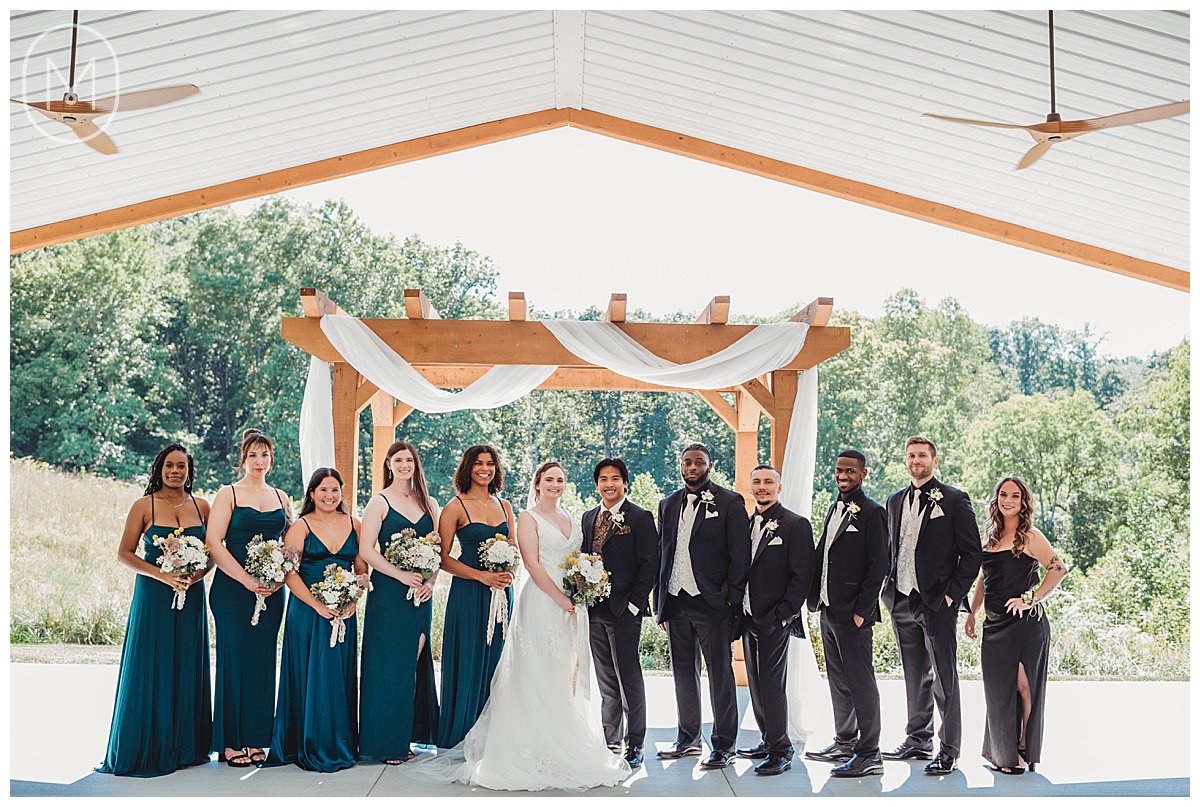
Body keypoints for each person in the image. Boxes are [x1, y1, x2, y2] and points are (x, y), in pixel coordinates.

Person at [413, 462, 631, 790]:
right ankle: (532, 745)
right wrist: (560, 599)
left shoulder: (571, 517)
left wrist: (583, 584)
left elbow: (575, 557)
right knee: (537, 669)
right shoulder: (529, 518)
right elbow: (530, 563)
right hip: (544, 601)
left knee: (563, 673)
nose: (555, 485)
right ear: (537, 484)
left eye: (560, 480)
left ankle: (562, 740)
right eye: (549, 480)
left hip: (571, 604)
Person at [97, 444, 213, 777]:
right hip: (153, 594)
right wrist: (163, 576)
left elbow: (211, 554)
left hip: (191, 594)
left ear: (189, 470)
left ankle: (185, 746)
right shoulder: (143, 505)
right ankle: (146, 746)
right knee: (151, 662)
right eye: (169, 466)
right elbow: (124, 553)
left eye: (181, 466)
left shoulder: (202, 506)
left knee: (186, 661)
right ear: (159, 469)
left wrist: (194, 576)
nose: (175, 471)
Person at [881, 437, 982, 776]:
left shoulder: (954, 499)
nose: (916, 460)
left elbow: (972, 554)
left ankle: (949, 750)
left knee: (944, 677)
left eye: (922, 455)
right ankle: (918, 739)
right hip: (900, 598)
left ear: (934, 461)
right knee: (914, 675)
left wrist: (952, 597)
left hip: (937, 602)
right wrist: (887, 592)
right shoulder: (894, 500)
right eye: (911, 455)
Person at [654, 443, 750, 770]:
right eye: (687, 462)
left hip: (713, 604)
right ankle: (688, 739)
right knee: (683, 674)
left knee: (720, 676)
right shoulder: (668, 504)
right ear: (680, 465)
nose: (692, 467)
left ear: (710, 466)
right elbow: (663, 555)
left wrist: (730, 599)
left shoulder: (729, 502)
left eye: (698, 462)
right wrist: (660, 604)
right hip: (675, 601)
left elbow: (740, 555)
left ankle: (724, 745)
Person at [264, 468, 365, 773]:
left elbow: (361, 568)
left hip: (343, 610)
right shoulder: (301, 527)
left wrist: (353, 598)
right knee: (313, 674)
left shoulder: (354, 524)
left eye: (335, 490)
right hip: (308, 611)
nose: (329, 496)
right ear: (312, 493)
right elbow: (289, 573)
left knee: (338, 675)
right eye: (323, 490)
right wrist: (317, 605)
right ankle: (309, 742)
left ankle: (340, 741)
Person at [965, 477, 1067, 775]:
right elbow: (984, 578)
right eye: (1003, 494)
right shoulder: (990, 538)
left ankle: (1022, 750)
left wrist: (1030, 598)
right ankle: (1001, 753)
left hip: (1024, 625)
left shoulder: (1030, 535)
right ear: (996, 499)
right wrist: (973, 613)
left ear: (1023, 502)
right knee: (998, 690)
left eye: (1015, 496)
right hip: (994, 625)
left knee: (1023, 686)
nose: (1007, 500)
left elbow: (1058, 569)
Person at [206, 429, 293, 767]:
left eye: (265, 455)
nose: (260, 461)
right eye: (253, 455)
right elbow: (214, 542)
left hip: (271, 592)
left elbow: (290, 546)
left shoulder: (282, 497)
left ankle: (257, 738)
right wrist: (245, 579)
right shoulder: (228, 493)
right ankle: (230, 742)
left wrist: (278, 578)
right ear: (243, 459)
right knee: (234, 660)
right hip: (232, 590)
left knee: (262, 661)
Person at [805, 450, 889, 777]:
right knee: (838, 680)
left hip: (853, 613)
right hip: (829, 609)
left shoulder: (873, 513)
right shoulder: (834, 507)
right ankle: (845, 741)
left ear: (863, 474)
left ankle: (869, 753)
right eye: (839, 469)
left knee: (861, 683)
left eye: (850, 471)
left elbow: (879, 565)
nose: (843, 475)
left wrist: (861, 612)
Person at [357, 441, 441, 765]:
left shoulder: (430, 503)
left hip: (420, 595)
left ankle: (406, 736)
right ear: (389, 464)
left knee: (411, 665)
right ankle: (389, 743)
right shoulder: (379, 502)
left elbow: (437, 550)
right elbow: (366, 549)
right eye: (399, 460)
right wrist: (400, 575)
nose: (405, 465)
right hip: (389, 595)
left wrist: (430, 583)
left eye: (410, 460)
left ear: (415, 464)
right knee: (389, 667)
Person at [734, 464, 815, 776]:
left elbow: (802, 576)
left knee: (772, 685)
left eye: (768, 482)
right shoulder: (745, 524)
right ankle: (768, 739)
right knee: (756, 684)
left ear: (778, 488)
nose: (762, 487)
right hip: (747, 617)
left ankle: (782, 750)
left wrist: (783, 616)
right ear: (750, 487)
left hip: (774, 619)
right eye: (757, 482)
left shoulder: (795, 524)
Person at [435, 444, 517, 748]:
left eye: (490, 463)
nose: (485, 469)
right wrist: (482, 576)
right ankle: (462, 732)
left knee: (497, 661)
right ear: (467, 467)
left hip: (502, 594)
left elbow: (513, 548)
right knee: (469, 658)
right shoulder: (455, 506)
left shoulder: (505, 506)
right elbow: (442, 558)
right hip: (469, 594)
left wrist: (509, 573)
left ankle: (494, 735)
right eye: (478, 463)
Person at [581, 457, 659, 769]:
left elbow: (650, 564)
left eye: (615, 478)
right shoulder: (589, 517)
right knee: (606, 679)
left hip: (624, 610)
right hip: (594, 609)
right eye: (603, 479)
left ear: (625, 483)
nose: (609, 484)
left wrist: (634, 604)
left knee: (629, 677)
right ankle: (610, 740)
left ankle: (635, 743)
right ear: (597, 484)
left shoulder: (639, 517)